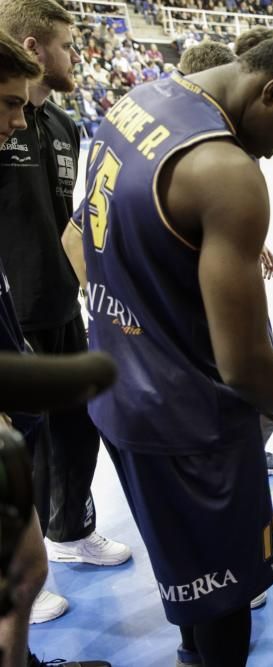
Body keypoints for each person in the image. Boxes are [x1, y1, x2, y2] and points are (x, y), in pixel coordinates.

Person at [80, 36, 273, 665]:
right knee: (228, 594)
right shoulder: (226, 171)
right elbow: (243, 362)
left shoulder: (137, 102)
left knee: (186, 573)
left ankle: (189, 655)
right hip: (189, 420)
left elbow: (76, 241)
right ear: (271, 91)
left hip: (116, 388)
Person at [0, 0, 131, 626]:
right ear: (33, 47)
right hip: (9, 312)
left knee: (78, 424)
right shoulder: (3, 119)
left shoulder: (61, 126)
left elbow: (71, 223)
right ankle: (10, 569)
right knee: (17, 444)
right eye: (67, 46)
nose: (74, 58)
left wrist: (78, 280)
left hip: (57, 302)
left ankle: (70, 530)